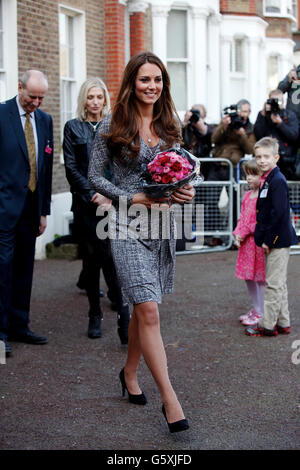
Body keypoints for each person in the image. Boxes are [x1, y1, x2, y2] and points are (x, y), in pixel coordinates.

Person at [88, 51, 195, 433]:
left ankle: (129, 372)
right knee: (149, 310)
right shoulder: (110, 125)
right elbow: (94, 178)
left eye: (158, 80)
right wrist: (130, 198)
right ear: (132, 82)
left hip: (162, 225)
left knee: (140, 305)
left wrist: (186, 192)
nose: (152, 87)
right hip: (124, 225)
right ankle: (171, 401)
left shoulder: (171, 125)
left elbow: (182, 173)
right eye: (145, 79)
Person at [63, 77, 130, 344]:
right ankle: (94, 313)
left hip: (111, 202)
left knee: (113, 255)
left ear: (105, 99)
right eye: (90, 97)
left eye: (99, 97)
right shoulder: (73, 127)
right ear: (84, 99)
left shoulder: (115, 127)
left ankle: (122, 315)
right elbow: (71, 167)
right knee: (91, 260)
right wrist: (92, 194)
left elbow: (121, 165)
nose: (95, 102)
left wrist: (109, 194)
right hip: (85, 203)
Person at [0, 70, 53, 357]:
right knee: (2, 270)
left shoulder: (45, 120)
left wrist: (44, 211)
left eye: (41, 98)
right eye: (32, 96)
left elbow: (44, 168)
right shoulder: (1, 114)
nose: (36, 102)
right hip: (4, 208)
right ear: (19, 88)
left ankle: (20, 325)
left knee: (24, 269)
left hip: (31, 210)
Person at [245, 137, 298, 337]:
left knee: (273, 284)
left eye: (266, 156)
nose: (261, 160)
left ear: (275, 157)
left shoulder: (277, 180)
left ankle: (267, 325)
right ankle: (283, 322)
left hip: (278, 240)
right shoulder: (269, 178)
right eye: (258, 156)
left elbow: (279, 214)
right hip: (274, 239)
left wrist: (269, 240)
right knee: (279, 282)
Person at [233, 159, 265, 326]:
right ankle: (256, 307)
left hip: (256, 242)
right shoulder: (247, 195)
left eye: (253, 174)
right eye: (247, 175)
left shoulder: (262, 196)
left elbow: (258, 221)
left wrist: (243, 232)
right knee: (248, 277)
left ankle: (261, 311)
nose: (249, 178)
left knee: (260, 278)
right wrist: (237, 233)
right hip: (246, 243)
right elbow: (242, 217)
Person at [254, 89, 299, 180]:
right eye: (273, 101)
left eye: (279, 101)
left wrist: (280, 124)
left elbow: (294, 136)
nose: (276, 103)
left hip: (287, 160)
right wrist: (263, 115)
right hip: (268, 160)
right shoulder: (263, 115)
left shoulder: (290, 115)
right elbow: (258, 135)